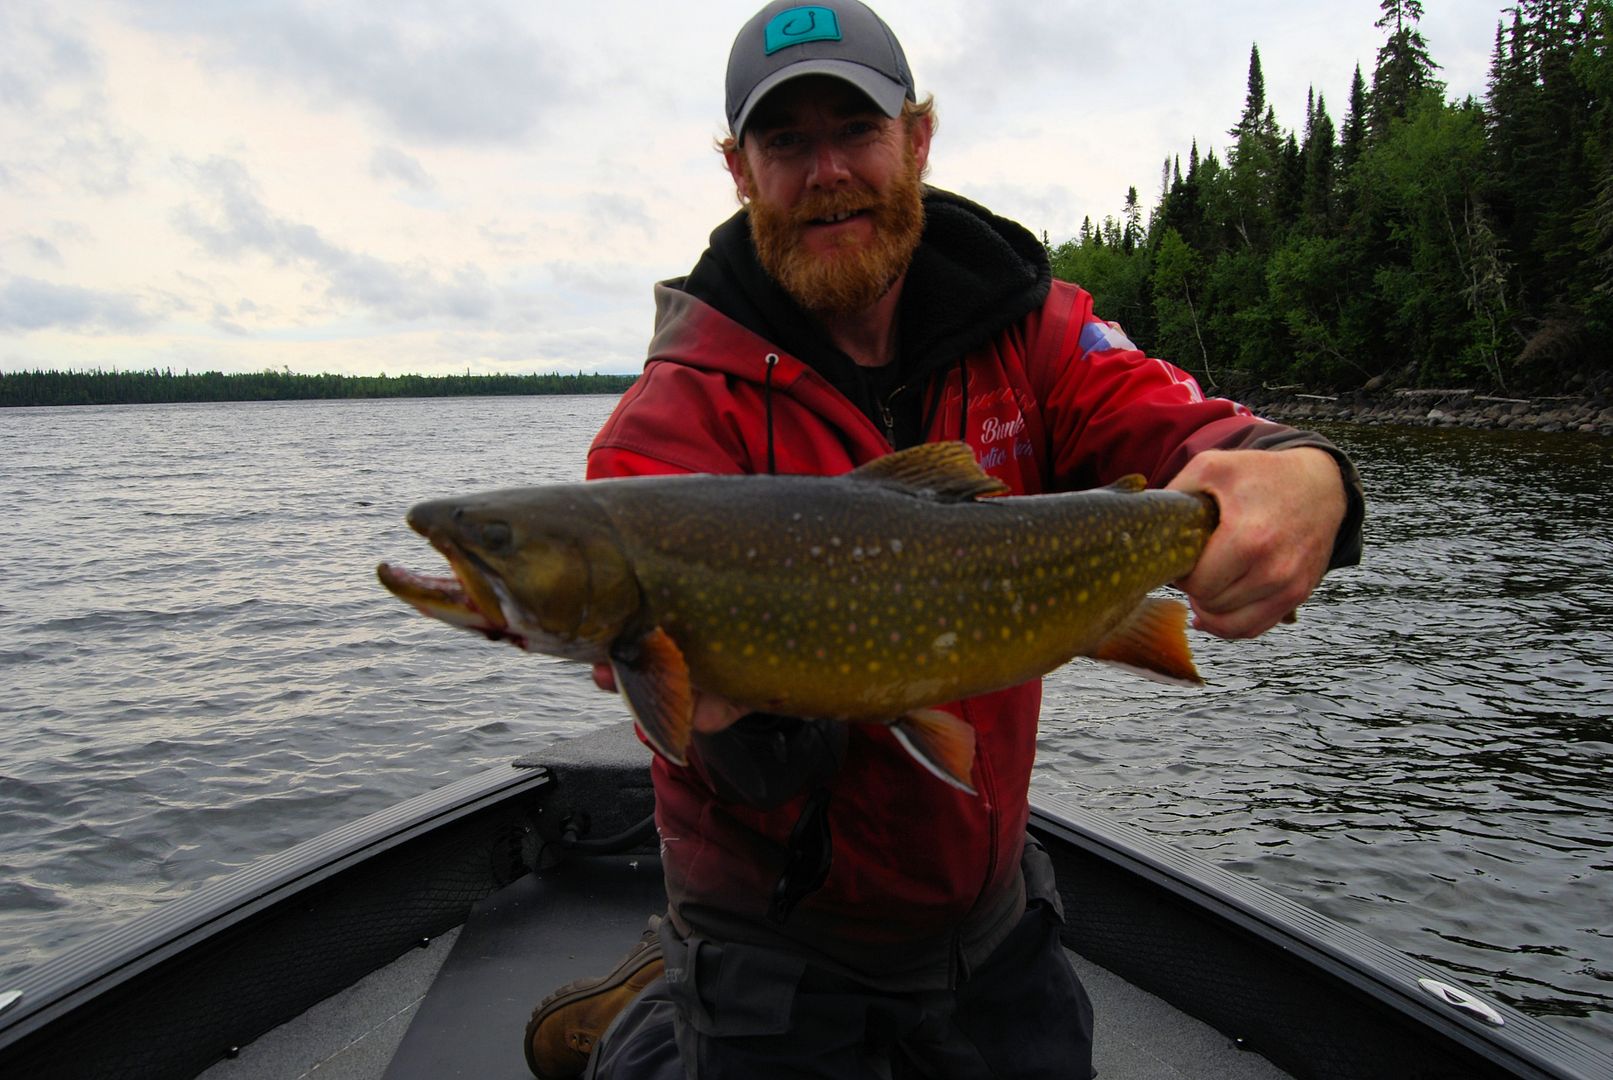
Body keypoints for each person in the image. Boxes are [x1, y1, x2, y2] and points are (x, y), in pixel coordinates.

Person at [525, 1, 1365, 1077]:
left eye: (856, 129)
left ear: (916, 139)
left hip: (991, 913)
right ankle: (657, 1011)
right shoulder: (668, 430)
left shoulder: (1032, 330)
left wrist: (1305, 473)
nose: (827, 171)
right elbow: (716, 752)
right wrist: (742, 707)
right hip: (770, 938)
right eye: (785, 142)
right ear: (739, 170)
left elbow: (1187, 428)